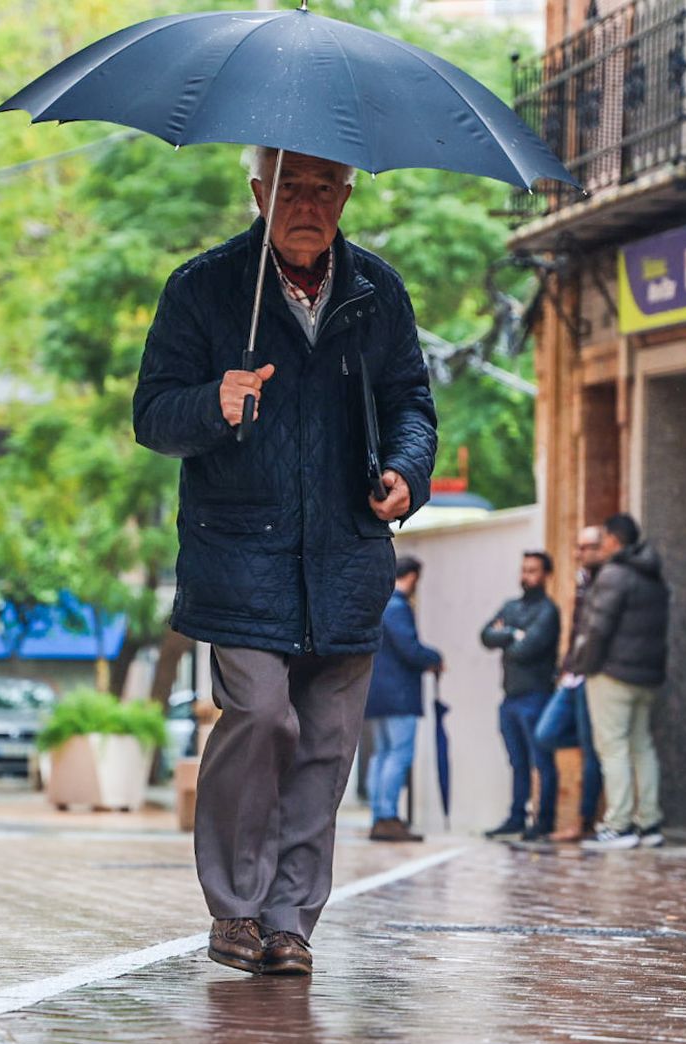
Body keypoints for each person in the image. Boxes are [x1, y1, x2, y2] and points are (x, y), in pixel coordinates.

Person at [134, 146, 437, 977]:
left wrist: (407, 473)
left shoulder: (378, 292)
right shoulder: (203, 287)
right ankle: (235, 905)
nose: (309, 203)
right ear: (259, 192)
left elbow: (412, 399)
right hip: (240, 555)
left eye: (326, 188)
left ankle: (290, 920)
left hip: (346, 558)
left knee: (328, 741)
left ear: (347, 193)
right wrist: (214, 400)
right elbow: (153, 413)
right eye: (292, 187)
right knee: (264, 715)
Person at [572, 513, 670, 851]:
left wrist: (582, 665)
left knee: (612, 747)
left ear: (613, 540)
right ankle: (650, 822)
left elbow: (597, 628)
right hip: (647, 674)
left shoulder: (614, 574)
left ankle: (619, 825)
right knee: (641, 746)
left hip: (612, 674)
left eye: (604, 539)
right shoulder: (653, 574)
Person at [480, 551, 562, 842]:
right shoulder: (511, 606)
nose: (526, 576)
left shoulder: (548, 611)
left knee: (541, 760)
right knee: (517, 762)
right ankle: (517, 817)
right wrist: (516, 634)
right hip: (510, 697)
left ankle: (544, 819)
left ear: (546, 575)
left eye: (533, 571)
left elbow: (525, 650)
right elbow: (486, 635)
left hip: (536, 696)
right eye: (524, 570)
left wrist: (509, 637)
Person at [533, 526, 607, 841]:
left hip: (591, 674)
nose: (579, 553)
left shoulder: (606, 582)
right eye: (577, 547)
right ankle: (594, 744)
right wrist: (566, 668)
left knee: (592, 753)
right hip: (572, 676)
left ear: (604, 548)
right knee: (545, 734)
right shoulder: (583, 582)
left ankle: (584, 821)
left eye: (586, 547)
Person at [364, 556, 443, 844]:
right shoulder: (397, 607)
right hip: (399, 696)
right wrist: (435, 659)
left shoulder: (378, 604)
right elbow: (410, 649)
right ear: (411, 577)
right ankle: (386, 817)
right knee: (397, 755)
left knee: (382, 755)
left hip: (376, 694)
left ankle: (378, 815)